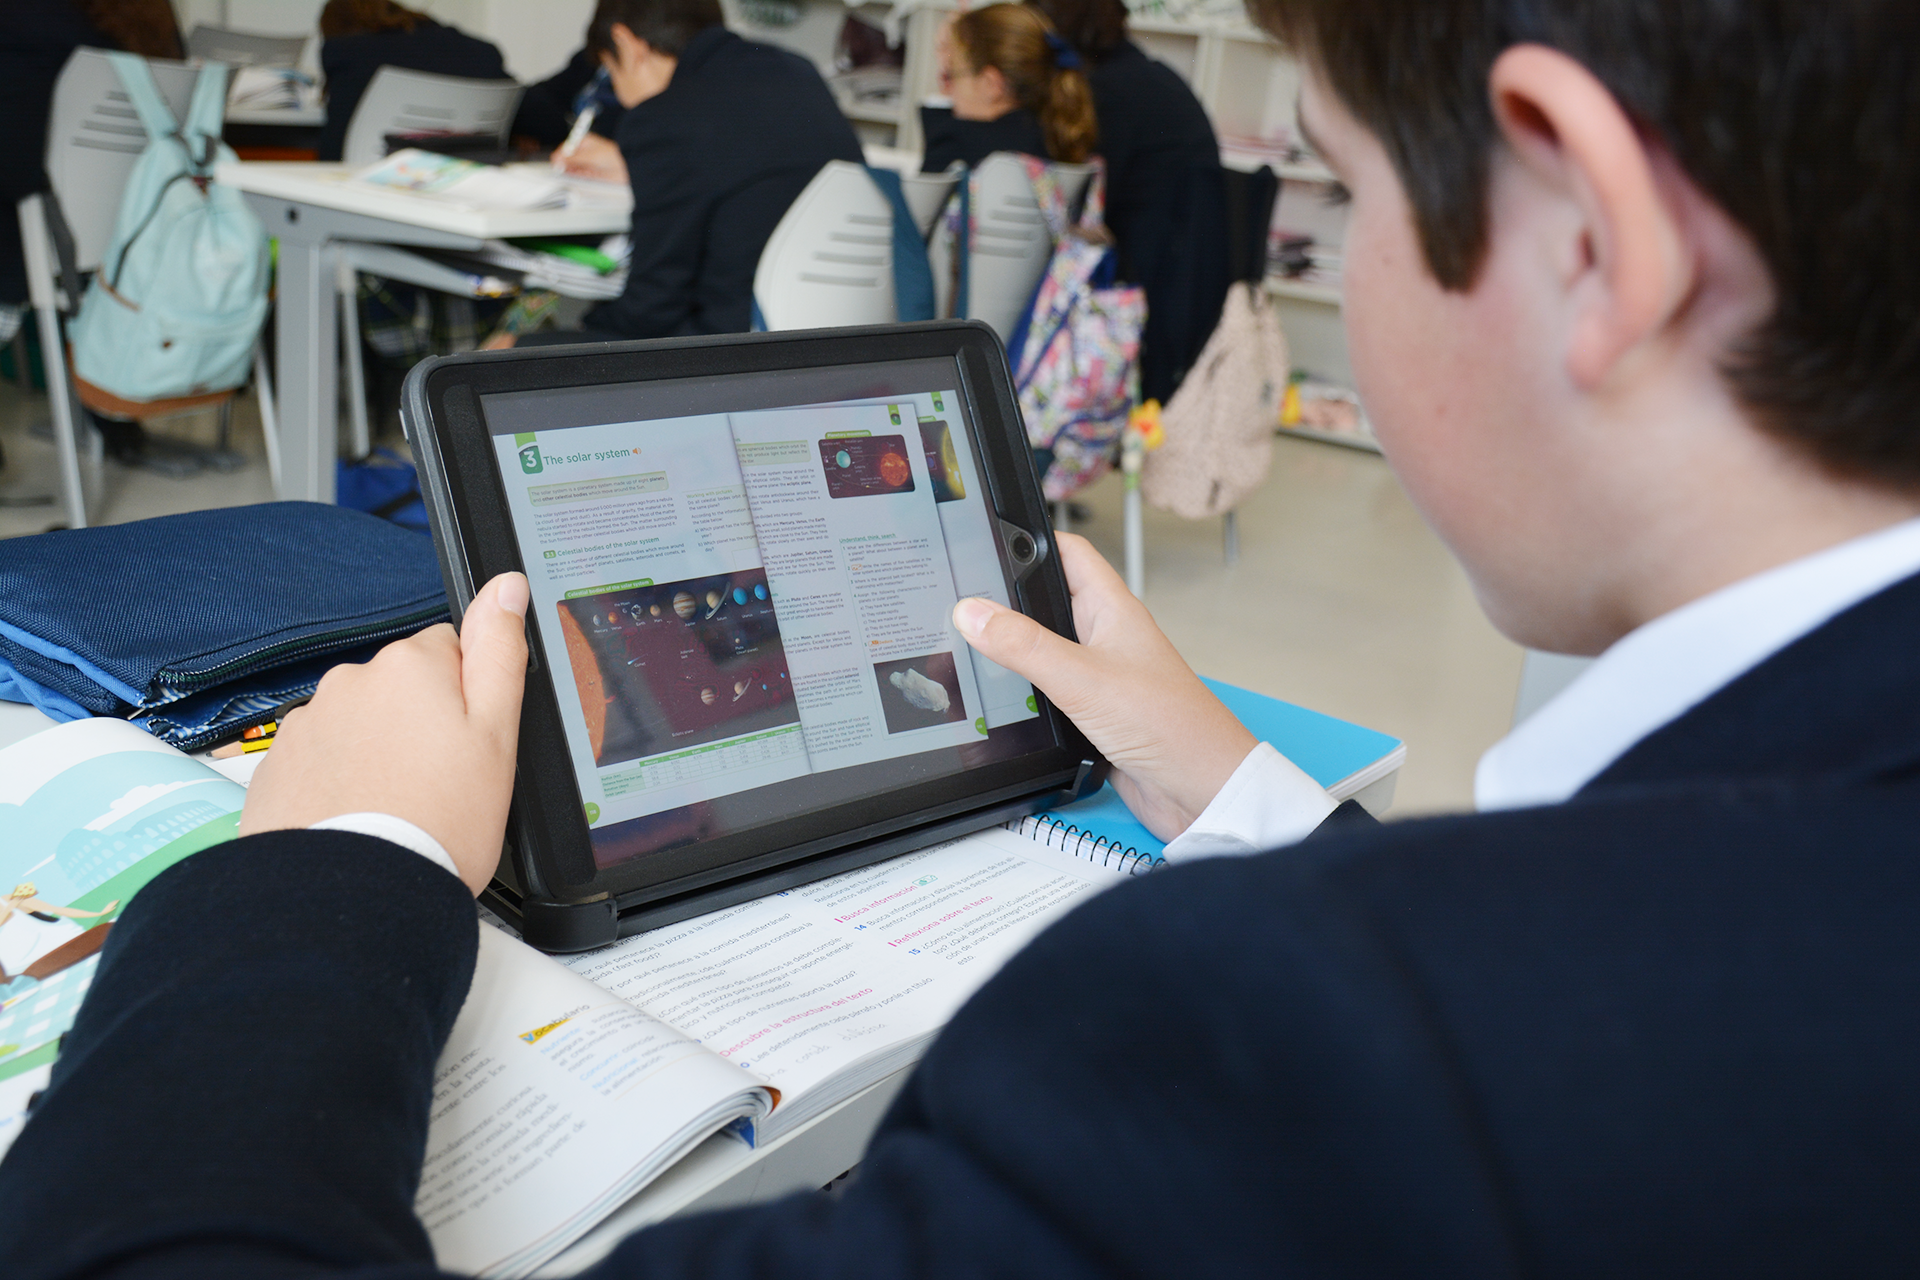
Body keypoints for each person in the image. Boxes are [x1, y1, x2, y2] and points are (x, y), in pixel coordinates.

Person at [8, 0, 1920, 1273]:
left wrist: (331, 869)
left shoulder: (1296, 1035)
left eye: (1333, 180)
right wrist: (1254, 800)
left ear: (1586, 225)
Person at [491, 0, 863, 346]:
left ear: (626, 43)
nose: (620, 96)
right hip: (834, 332)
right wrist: (634, 162)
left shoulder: (664, 119)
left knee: (509, 350)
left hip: (726, 345)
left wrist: (528, 346)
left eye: (611, 69)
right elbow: (744, 163)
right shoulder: (795, 70)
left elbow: (650, 309)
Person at [0, 0, 185, 472]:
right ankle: (113, 419)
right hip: (129, 241)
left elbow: (15, 161)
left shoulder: (22, 19)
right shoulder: (155, 24)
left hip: (38, 240)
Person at [1026, 0, 1227, 403]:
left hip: (1145, 296)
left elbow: (1075, 213)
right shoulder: (1150, 77)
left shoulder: (1107, 95)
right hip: (1185, 280)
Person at [315, 0, 511, 163]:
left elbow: (334, 150)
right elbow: (528, 109)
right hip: (463, 184)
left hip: (370, 186)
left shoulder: (346, 52)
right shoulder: (481, 52)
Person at [919, 3, 1097, 174]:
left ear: (990, 84)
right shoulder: (1060, 137)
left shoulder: (957, 146)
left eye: (951, 76)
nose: (947, 91)